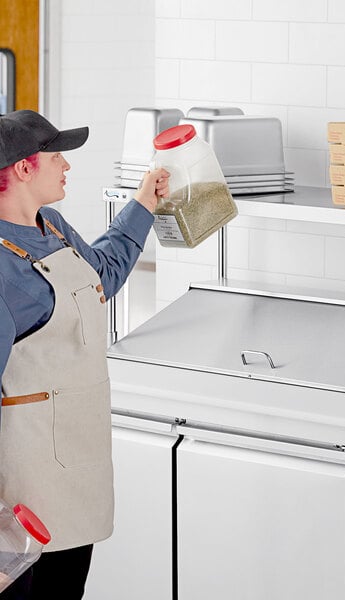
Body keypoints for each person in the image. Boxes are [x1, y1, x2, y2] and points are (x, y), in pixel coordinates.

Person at [0, 110, 169, 599]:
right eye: (57, 158)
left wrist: (143, 202)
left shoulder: (50, 226)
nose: (67, 167)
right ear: (24, 169)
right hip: (22, 498)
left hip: (76, 475)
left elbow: (101, 276)